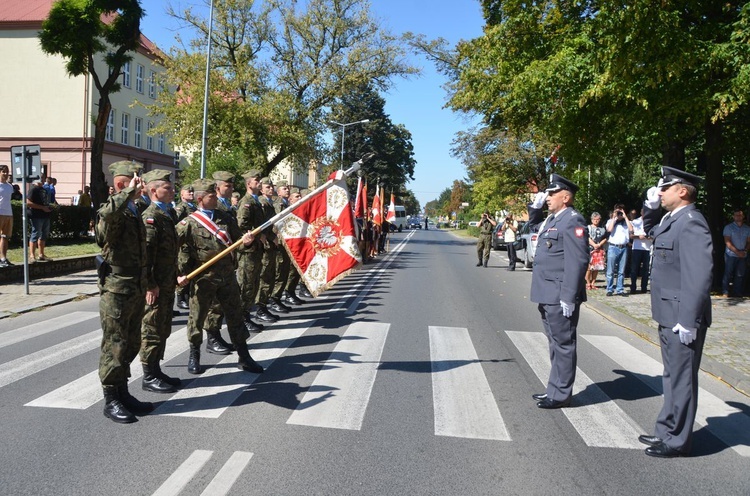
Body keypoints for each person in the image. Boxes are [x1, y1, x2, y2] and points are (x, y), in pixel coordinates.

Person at [638, 166, 713, 458]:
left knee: (682, 378)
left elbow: (699, 276)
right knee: (671, 376)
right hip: (668, 312)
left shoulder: (692, 222)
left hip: (682, 316)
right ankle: (665, 430)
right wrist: (650, 208)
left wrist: (689, 320)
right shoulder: (672, 219)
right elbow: (649, 229)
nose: (660, 192)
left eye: (665, 188)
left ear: (682, 191)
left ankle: (677, 440)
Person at [176, 178, 264, 375]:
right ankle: (195, 354)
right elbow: (178, 251)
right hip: (203, 279)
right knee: (197, 318)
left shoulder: (225, 217)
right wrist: (180, 275)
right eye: (211, 196)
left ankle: (244, 355)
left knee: (235, 316)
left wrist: (248, 242)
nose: (215, 198)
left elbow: (239, 240)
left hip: (227, 278)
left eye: (215, 194)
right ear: (200, 198)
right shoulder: (188, 223)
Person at [95, 161, 153, 424]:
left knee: (131, 342)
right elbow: (107, 218)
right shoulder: (112, 209)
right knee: (115, 344)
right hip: (117, 289)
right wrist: (127, 193)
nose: (142, 184)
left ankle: (123, 391)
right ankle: (111, 399)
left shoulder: (132, 210)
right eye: (137, 180)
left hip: (135, 286)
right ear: (123, 184)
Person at [527, 174, 589, 409]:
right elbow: (534, 226)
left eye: (552, 194)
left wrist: (569, 296)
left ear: (565, 197)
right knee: (554, 343)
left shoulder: (573, 220)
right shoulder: (553, 219)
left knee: (563, 344)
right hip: (547, 292)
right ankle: (554, 388)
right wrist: (535, 207)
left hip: (559, 294)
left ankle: (561, 394)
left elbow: (578, 260)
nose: (547, 198)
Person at [139, 170, 181, 394]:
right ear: (154, 191)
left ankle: (156, 369)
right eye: (168, 187)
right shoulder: (150, 217)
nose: (173, 190)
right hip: (155, 285)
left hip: (166, 282)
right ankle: (148, 375)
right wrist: (149, 284)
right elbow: (145, 256)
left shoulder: (167, 214)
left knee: (163, 326)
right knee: (152, 328)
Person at [235, 169, 267, 331]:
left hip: (256, 250)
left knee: (253, 284)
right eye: (256, 180)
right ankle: (241, 318)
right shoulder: (246, 202)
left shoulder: (255, 201)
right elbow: (242, 226)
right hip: (247, 251)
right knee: (246, 285)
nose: (259, 183)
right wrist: (256, 235)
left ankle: (246, 315)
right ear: (249, 184)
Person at [174, 184, 197, 310]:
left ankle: (186, 296)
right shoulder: (181, 208)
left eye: (192, 192)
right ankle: (180, 297)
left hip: (192, 244)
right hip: (184, 245)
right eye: (189, 192)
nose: (191, 194)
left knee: (190, 272)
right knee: (184, 269)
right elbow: (177, 224)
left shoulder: (193, 207)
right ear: (182, 194)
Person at [604, 203, 634, 296]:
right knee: (611, 270)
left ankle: (620, 289)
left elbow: (631, 229)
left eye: (621, 211)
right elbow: (609, 229)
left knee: (621, 271)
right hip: (613, 247)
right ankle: (609, 289)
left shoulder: (626, 222)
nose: (619, 214)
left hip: (623, 248)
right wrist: (614, 217)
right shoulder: (610, 221)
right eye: (618, 212)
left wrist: (625, 217)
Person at [721, 209, 750, 297]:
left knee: (740, 274)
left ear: (743, 216)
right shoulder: (728, 227)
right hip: (730, 254)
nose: (738, 217)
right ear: (733, 217)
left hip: (743, 254)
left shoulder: (747, 228)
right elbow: (727, 242)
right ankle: (725, 292)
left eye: (740, 215)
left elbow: (749, 242)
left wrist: (745, 251)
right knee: (728, 273)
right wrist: (737, 252)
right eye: (736, 215)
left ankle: (737, 292)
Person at [26, 179, 53, 262]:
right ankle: (32, 255)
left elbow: (45, 202)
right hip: (36, 216)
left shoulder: (44, 190)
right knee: (36, 233)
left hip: (45, 215)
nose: (42, 180)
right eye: (40, 178)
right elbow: (28, 202)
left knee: (44, 234)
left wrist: (48, 207)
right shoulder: (33, 189)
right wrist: (42, 208)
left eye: (43, 177)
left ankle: (41, 254)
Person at [630, 207, 652, 294]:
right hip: (637, 248)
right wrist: (639, 236)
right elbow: (631, 236)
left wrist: (649, 237)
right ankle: (633, 287)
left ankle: (644, 288)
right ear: (641, 213)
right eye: (643, 212)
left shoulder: (651, 222)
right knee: (634, 269)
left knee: (646, 270)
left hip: (647, 248)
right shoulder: (635, 222)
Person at [585, 212, 607, 290]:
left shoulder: (602, 229)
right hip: (590, 249)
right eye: (594, 219)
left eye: (598, 219)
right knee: (589, 267)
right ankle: (588, 282)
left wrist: (599, 244)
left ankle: (593, 283)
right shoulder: (588, 227)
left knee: (596, 267)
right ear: (591, 219)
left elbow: (605, 238)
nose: (596, 221)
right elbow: (586, 237)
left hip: (599, 249)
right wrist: (594, 244)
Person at [0, 165, 14, 267]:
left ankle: (3, 258)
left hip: (8, 214)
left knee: (5, 237)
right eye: (3, 171)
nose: (5, 173)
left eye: (7, 171)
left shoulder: (9, 186)